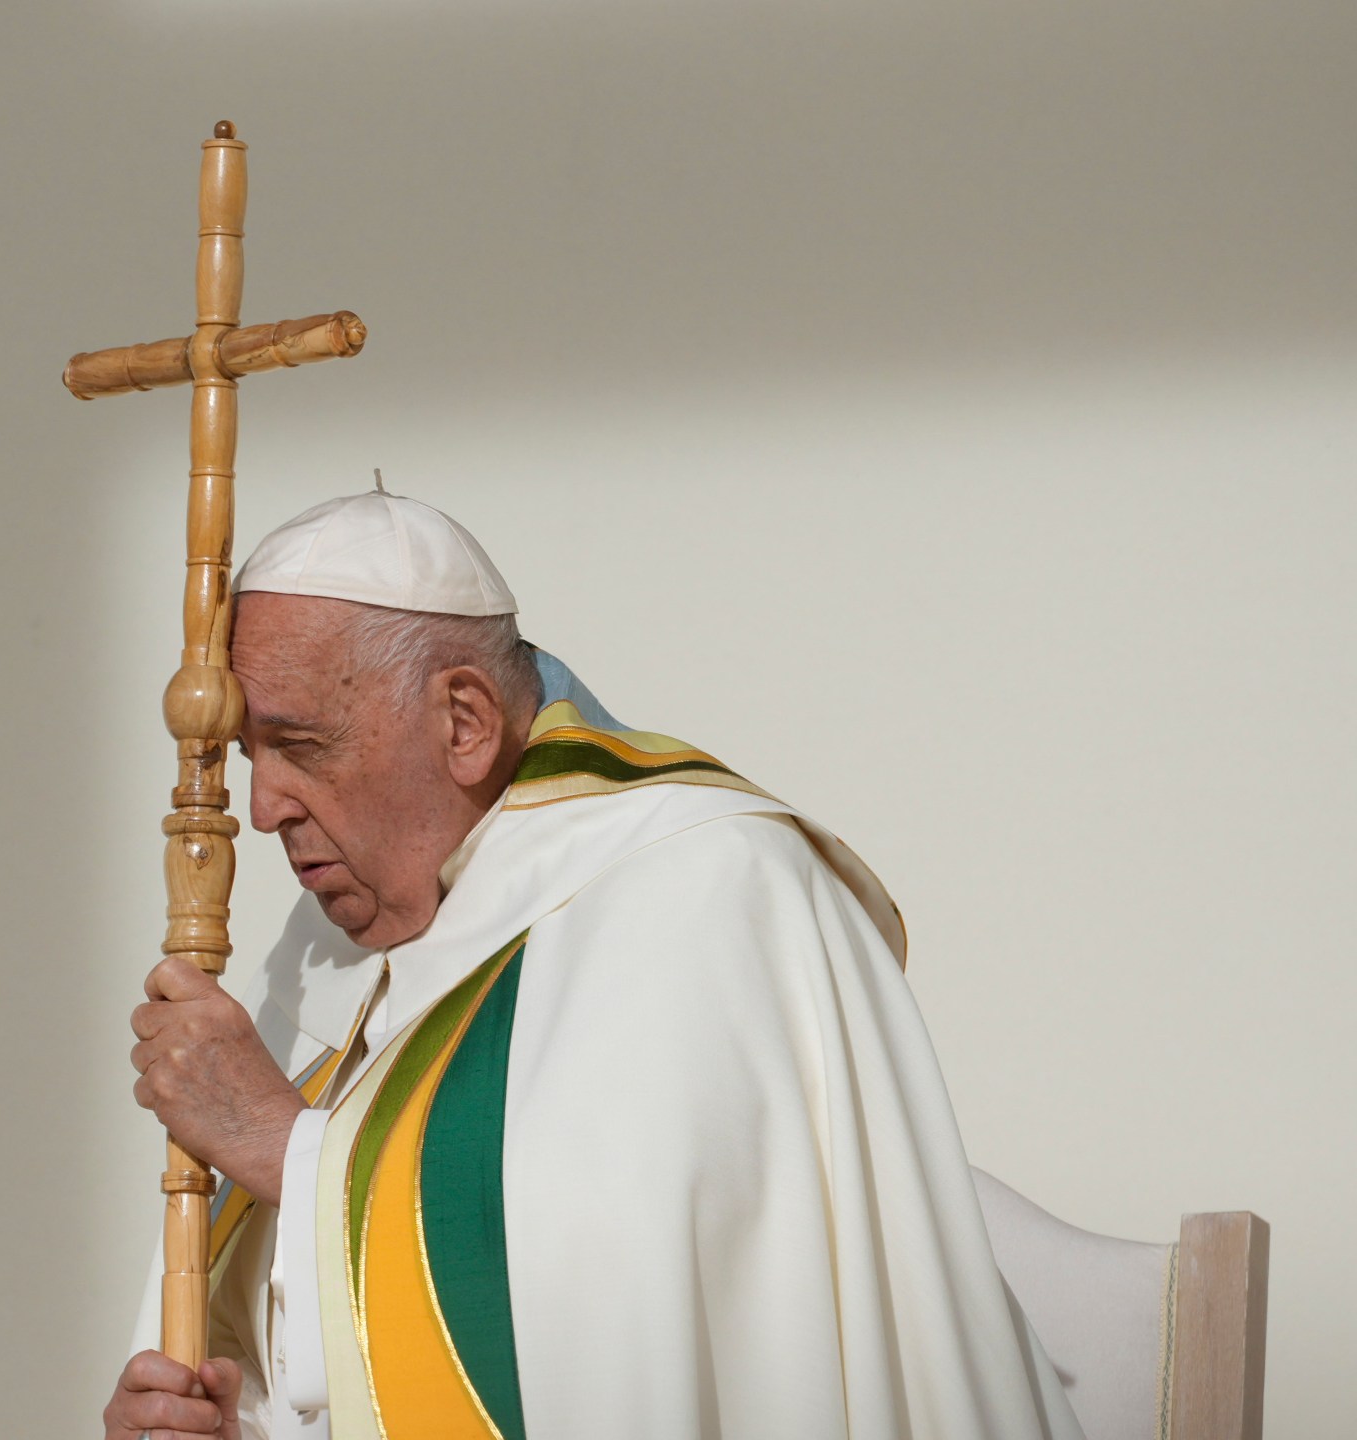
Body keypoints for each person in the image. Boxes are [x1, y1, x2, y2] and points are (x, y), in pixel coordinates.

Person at [101, 491, 1081, 1439]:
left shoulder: (702, 882)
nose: (264, 806)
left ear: (464, 723)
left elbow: (629, 1316)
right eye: (247, 755)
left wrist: (291, 1154)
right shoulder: (321, 948)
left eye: (300, 746)